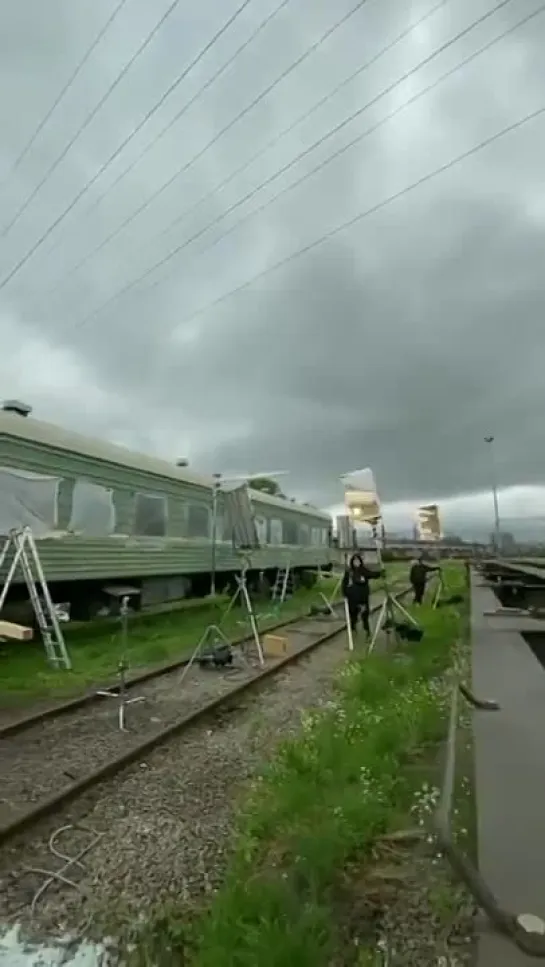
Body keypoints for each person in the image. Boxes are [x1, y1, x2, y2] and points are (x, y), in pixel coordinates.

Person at [341, 553, 383, 638]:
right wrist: (345, 593)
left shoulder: (364, 571)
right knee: (353, 614)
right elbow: (344, 583)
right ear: (352, 562)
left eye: (358, 561)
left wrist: (381, 573)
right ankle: (353, 629)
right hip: (353, 597)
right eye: (355, 561)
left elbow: (372, 574)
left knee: (365, 614)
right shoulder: (349, 572)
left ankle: (367, 631)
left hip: (363, 597)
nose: (356, 562)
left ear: (360, 562)